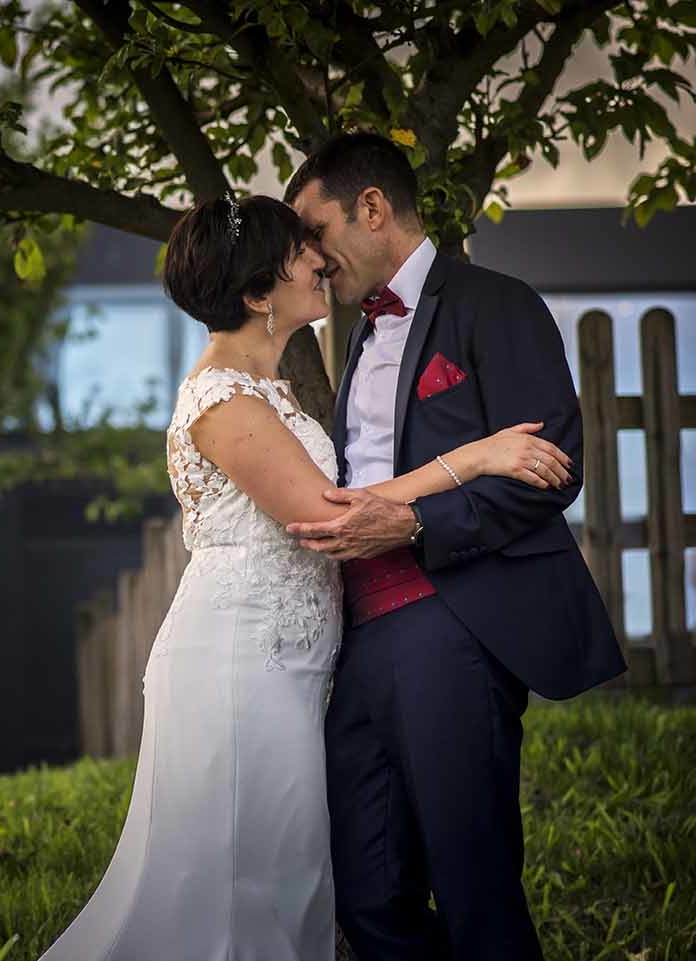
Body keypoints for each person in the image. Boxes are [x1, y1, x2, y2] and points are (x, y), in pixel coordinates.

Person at [34, 194, 573, 961]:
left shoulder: (275, 388)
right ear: (259, 294)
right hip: (235, 663)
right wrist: (476, 457)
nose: (318, 259)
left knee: (282, 873)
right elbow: (325, 513)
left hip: (287, 667)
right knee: (227, 885)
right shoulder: (220, 399)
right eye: (299, 251)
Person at [284, 132, 626, 960]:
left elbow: (549, 470)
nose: (313, 260)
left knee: (473, 883)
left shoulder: (496, 303)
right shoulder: (356, 334)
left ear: (371, 209)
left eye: (316, 232)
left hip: (456, 622)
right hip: (359, 640)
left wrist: (413, 524)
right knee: (365, 891)